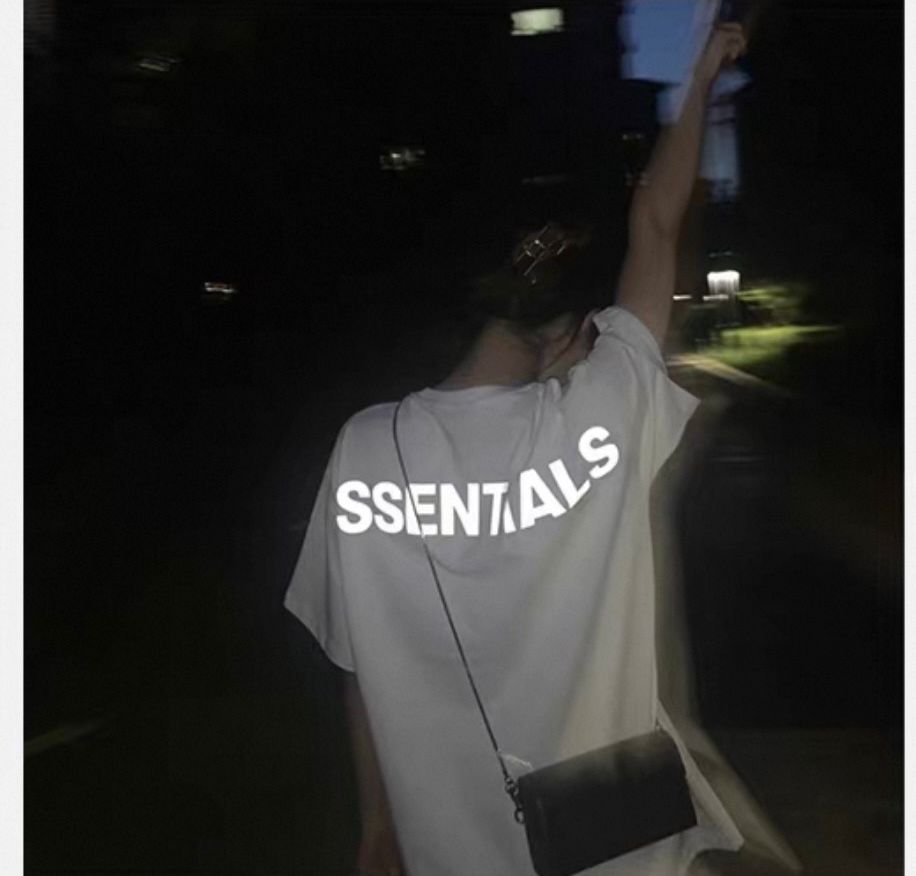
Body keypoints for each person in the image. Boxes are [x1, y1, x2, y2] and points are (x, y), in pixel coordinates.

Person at [284, 22, 787, 876]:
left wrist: (375, 826)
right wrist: (701, 74)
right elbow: (654, 223)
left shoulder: (364, 450)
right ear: (575, 332)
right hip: (615, 843)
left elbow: (360, 664)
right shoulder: (601, 418)